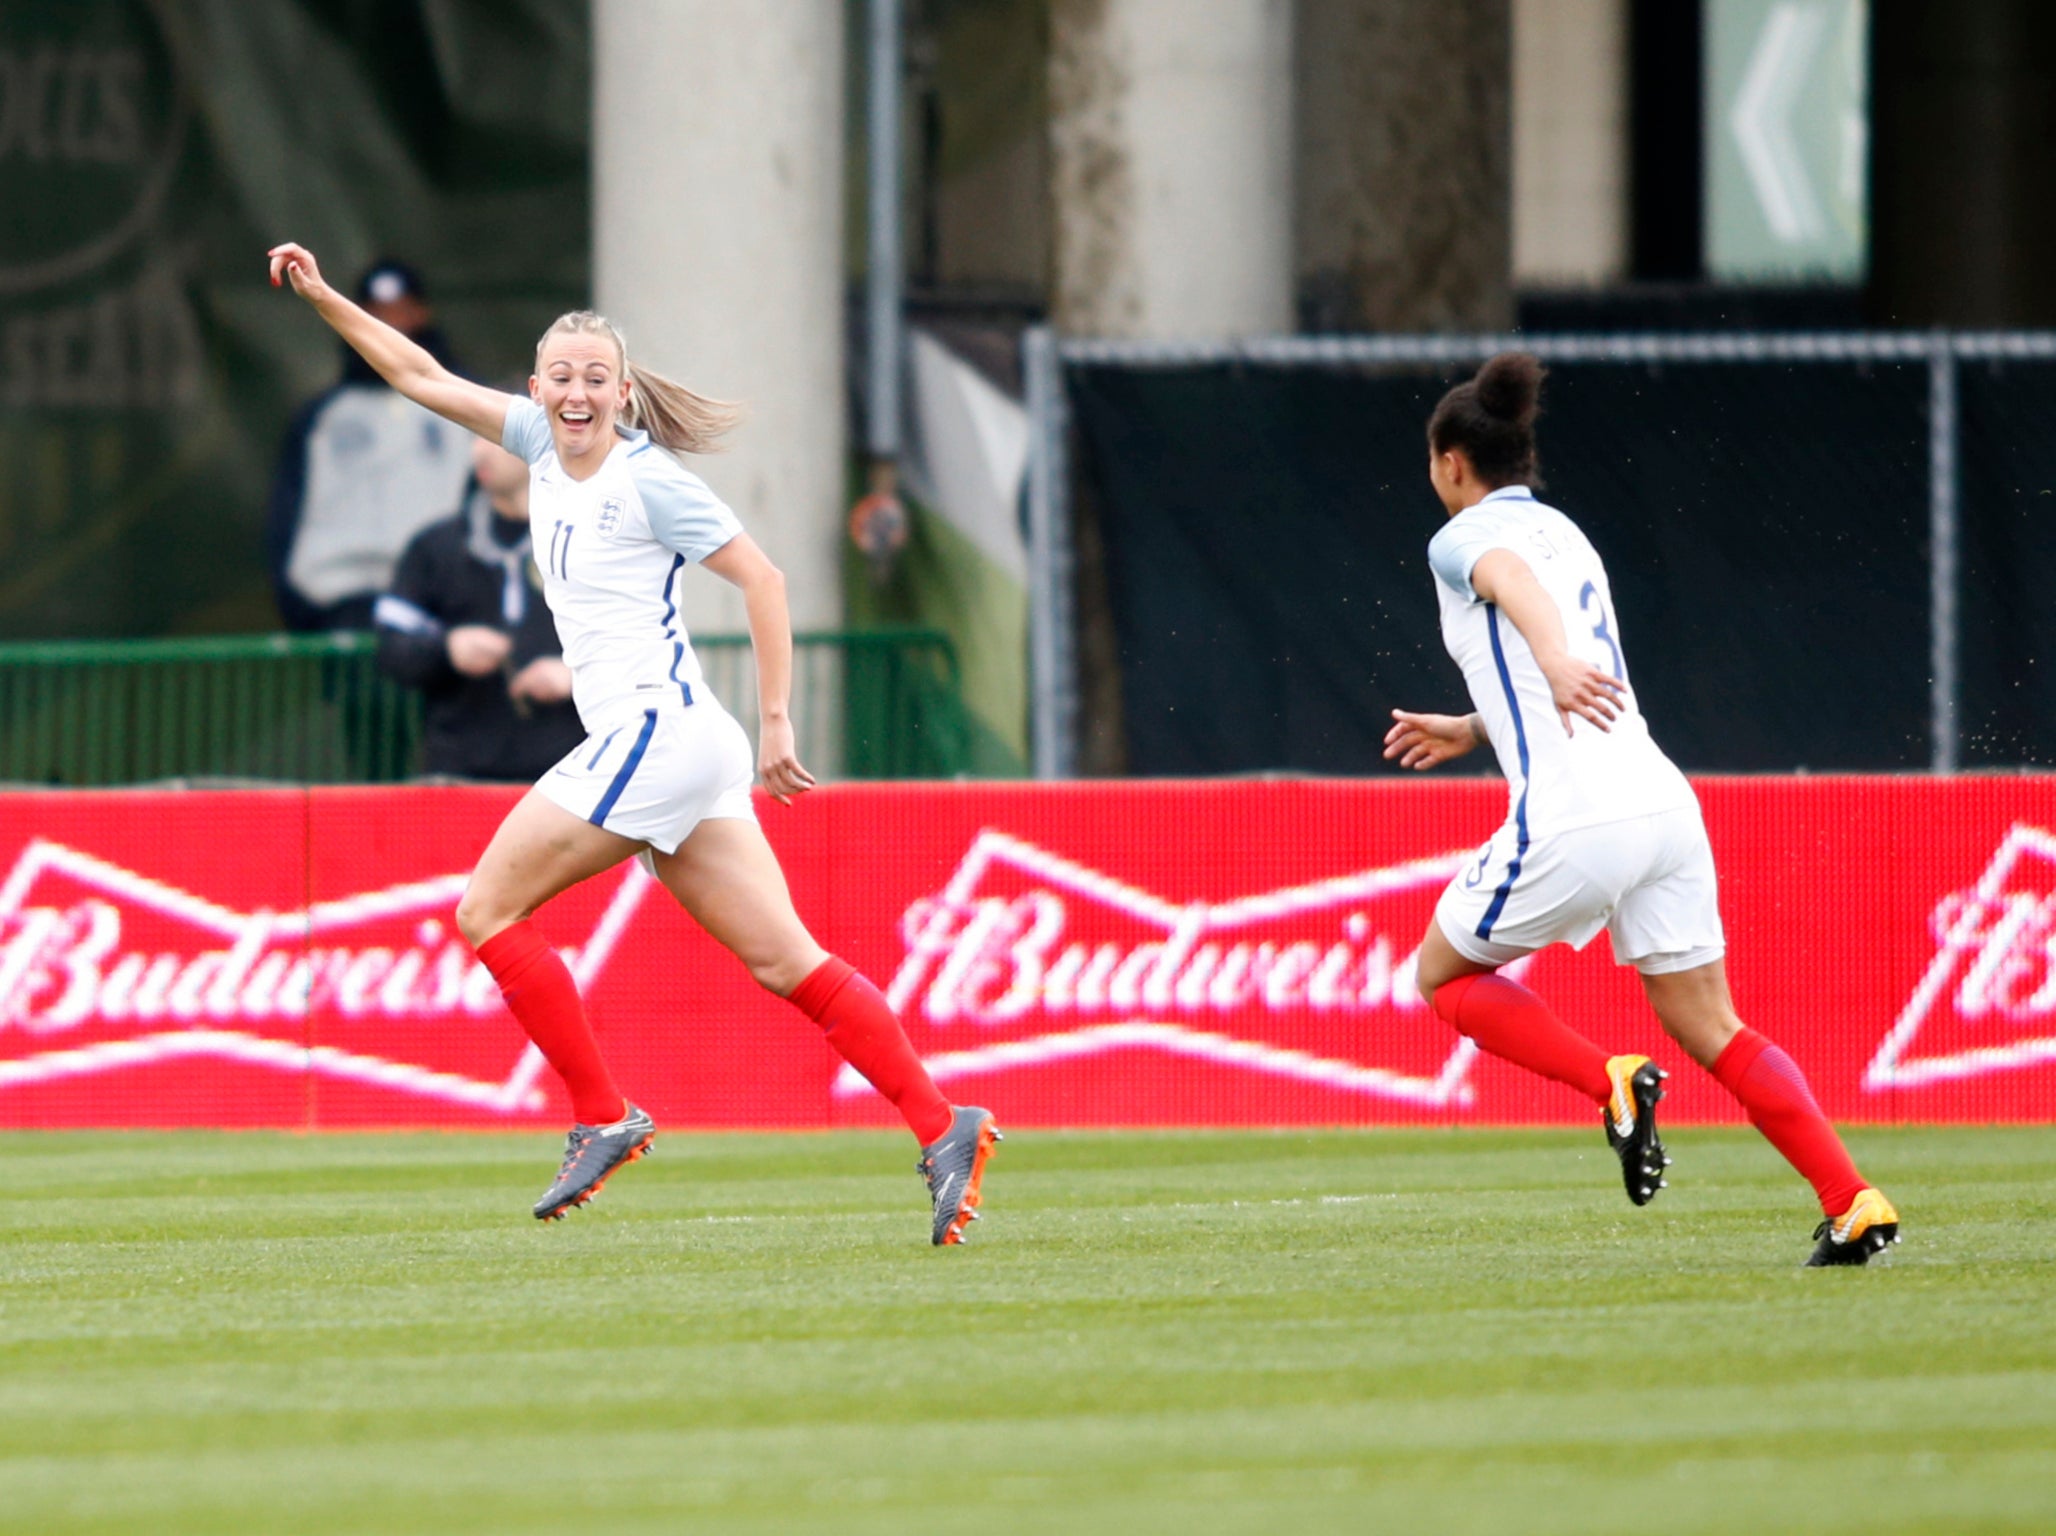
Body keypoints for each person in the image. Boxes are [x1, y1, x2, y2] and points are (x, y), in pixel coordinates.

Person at [268, 240, 1000, 1244]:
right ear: (537, 387)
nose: (575, 394)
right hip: (681, 745)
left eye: (594, 380)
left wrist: (779, 719)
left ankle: (602, 1114)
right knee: (787, 963)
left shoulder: (648, 481)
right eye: (560, 378)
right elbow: (416, 371)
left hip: (659, 735)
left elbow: (765, 581)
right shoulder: (529, 438)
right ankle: (940, 1120)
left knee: (487, 909)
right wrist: (320, 299)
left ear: (621, 394)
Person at [1382, 351, 1899, 1268]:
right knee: (1711, 1026)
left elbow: (1513, 588)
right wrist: (1476, 724)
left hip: (1577, 815)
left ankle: (1608, 1080)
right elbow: (1553, 645)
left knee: (1443, 980)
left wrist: (1544, 660)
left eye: (1431, 463)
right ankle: (1852, 1198)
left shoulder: (1461, 537)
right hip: (1662, 805)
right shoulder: (1570, 533)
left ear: (1452, 461)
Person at [268, 260, 475, 632]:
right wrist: (297, 603)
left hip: (441, 602)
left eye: (401, 311)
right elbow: (287, 510)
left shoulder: (466, 402)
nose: (391, 324)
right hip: (342, 601)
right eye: (376, 314)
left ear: (422, 313)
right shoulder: (321, 417)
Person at [374, 433, 587, 782]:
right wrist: (446, 650)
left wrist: (578, 678)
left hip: (570, 777)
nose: (480, 450)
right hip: (458, 776)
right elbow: (390, 649)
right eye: (474, 436)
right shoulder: (436, 546)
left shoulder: (590, 545)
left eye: (496, 436)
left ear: (544, 447)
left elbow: (643, 652)